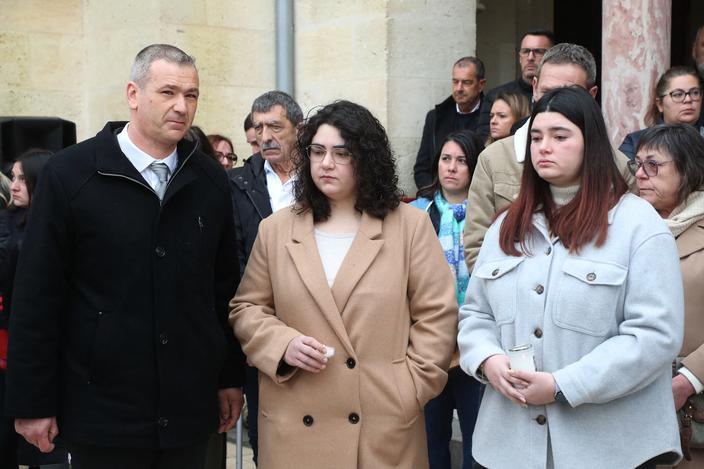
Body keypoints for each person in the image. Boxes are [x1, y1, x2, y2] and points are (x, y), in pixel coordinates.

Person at [5, 44, 245, 469]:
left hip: (188, 408)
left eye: (191, 95)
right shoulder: (71, 174)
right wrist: (33, 401)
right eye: (168, 92)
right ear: (133, 94)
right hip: (103, 409)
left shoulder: (208, 178)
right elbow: (37, 296)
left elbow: (221, 288)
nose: (181, 106)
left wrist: (228, 377)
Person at [457, 86, 683, 469]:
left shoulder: (637, 225)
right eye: (536, 137)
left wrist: (563, 385)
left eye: (560, 136)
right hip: (509, 447)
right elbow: (476, 315)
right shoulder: (506, 229)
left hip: (609, 449)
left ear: (589, 144)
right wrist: (487, 359)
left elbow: (655, 335)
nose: (544, 147)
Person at [230, 100, 458, 469]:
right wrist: (281, 344)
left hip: (380, 423)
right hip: (295, 422)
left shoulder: (409, 227)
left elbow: (437, 315)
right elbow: (247, 308)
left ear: (366, 159)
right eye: (317, 151)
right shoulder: (276, 229)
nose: (326, 163)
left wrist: (409, 388)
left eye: (341, 153)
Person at [463, 43, 636, 272]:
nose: (556, 103)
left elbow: (631, 253)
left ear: (591, 95)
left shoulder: (619, 166)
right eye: (547, 92)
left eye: (570, 93)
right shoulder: (495, 159)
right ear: (534, 88)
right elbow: (477, 248)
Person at [227, 90, 303, 466]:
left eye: (275, 126)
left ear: (299, 129)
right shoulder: (237, 183)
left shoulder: (321, 178)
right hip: (262, 330)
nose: (265, 136)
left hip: (320, 322)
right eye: (258, 127)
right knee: (268, 439)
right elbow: (234, 259)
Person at [630, 124, 704, 467]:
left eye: (654, 166)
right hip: (631, 396)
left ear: (687, 169)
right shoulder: (624, 226)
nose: (641, 175)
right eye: (637, 164)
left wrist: (689, 379)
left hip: (691, 402)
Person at [410, 129, 484, 469]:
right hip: (429, 346)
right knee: (429, 442)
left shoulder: (487, 215)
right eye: (445, 159)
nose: (451, 168)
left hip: (475, 344)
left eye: (461, 161)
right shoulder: (417, 213)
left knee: (478, 442)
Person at [0, 150, 70, 469]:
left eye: (23, 179)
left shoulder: (44, 235)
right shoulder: (9, 225)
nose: (14, 186)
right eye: (13, 178)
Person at [414, 56, 487, 189]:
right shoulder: (435, 117)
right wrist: (434, 196)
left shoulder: (491, 117)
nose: (459, 88)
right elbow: (422, 168)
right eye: (455, 82)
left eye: (466, 82)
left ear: (481, 85)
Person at [475, 30, 556, 137]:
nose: (530, 57)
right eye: (526, 51)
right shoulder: (496, 95)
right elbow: (484, 137)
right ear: (519, 57)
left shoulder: (558, 94)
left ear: (551, 57)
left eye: (538, 51)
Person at [619, 67, 704, 159]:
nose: (688, 99)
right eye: (678, 94)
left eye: (695, 93)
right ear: (660, 104)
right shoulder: (635, 142)